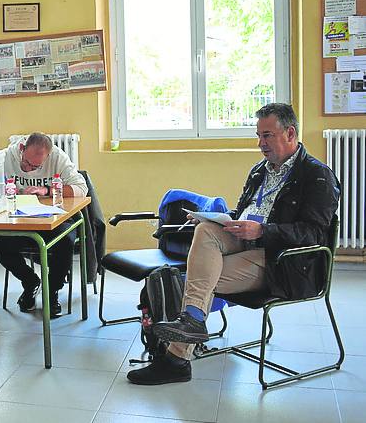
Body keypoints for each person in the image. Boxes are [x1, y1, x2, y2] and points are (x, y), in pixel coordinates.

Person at [127, 103, 339, 385]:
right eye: (258, 136)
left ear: (290, 133)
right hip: (246, 241)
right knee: (205, 230)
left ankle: (176, 359)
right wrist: (220, 220)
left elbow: (313, 234)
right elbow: (241, 213)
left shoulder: (317, 176)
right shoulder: (259, 171)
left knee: (196, 281)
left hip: (284, 260)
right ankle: (191, 322)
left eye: (267, 136)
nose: (260, 144)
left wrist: (262, 231)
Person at [0, 132, 87, 318]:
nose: (29, 169)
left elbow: (81, 189)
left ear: (48, 156)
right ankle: (30, 282)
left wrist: (47, 190)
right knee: (0, 245)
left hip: (54, 218)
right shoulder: (5, 157)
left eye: (36, 166)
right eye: (26, 163)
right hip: (22, 220)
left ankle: (51, 292)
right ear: (21, 149)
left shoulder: (58, 157)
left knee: (65, 242)